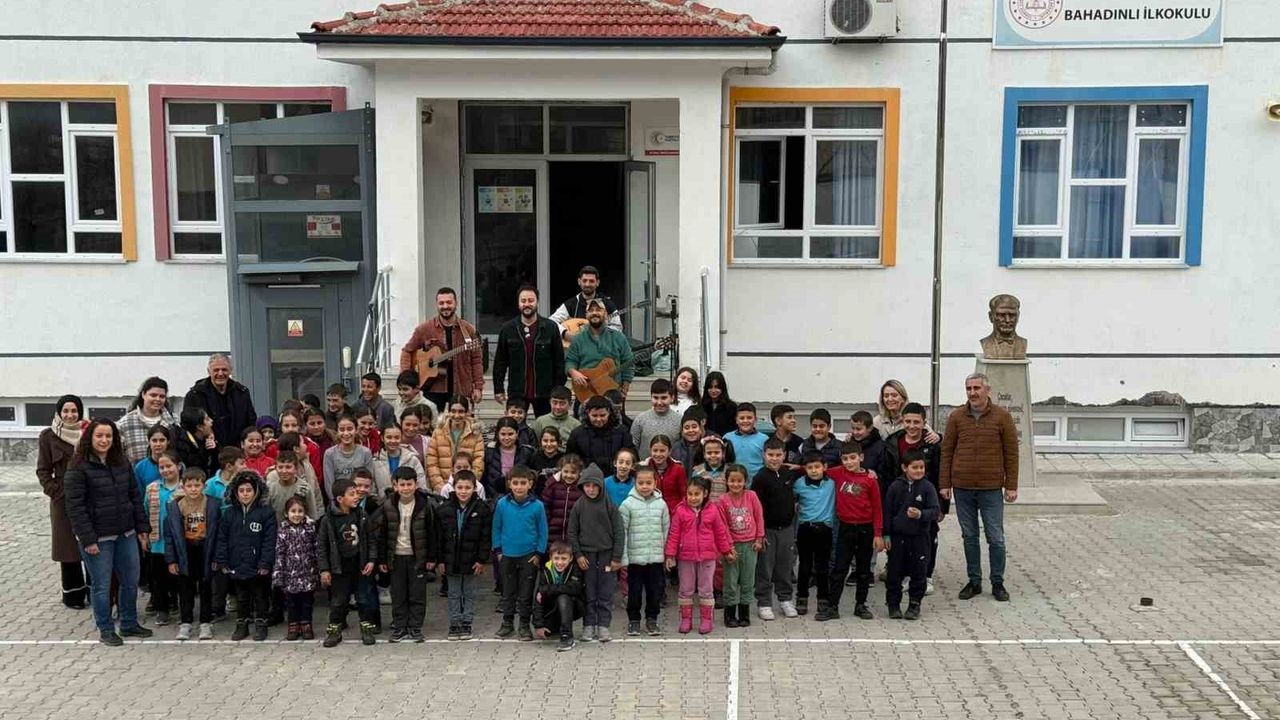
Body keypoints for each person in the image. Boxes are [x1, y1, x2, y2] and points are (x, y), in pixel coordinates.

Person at [64, 418, 153, 646]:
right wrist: (88, 539)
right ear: (90, 438)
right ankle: (105, 628)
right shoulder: (77, 466)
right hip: (98, 539)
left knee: (130, 581)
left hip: (126, 533)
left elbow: (134, 496)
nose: (104, 440)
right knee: (101, 586)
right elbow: (75, 507)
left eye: (108, 436)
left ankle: (129, 623)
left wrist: (142, 528)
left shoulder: (122, 462)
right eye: (99, 436)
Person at [941, 372, 1019, 602]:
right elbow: (947, 451)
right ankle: (974, 581)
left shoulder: (1002, 417)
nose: (972, 393)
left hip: (991, 488)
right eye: (969, 388)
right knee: (969, 536)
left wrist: (1011, 485)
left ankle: (997, 582)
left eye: (976, 388)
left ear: (987, 390)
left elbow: (1011, 453)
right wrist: (944, 483)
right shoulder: (956, 417)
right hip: (962, 487)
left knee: (996, 537)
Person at [881, 402, 947, 594]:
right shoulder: (892, 442)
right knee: (899, 537)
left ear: (924, 422)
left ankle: (926, 576)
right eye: (908, 421)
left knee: (928, 537)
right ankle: (902, 574)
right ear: (902, 421)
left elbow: (940, 473)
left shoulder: (932, 444)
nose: (911, 426)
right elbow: (886, 473)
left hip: (926, 498)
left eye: (916, 422)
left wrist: (942, 506)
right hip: (899, 498)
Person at [373, 467, 438, 643]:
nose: (406, 488)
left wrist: (431, 557)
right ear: (395, 485)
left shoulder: (425, 505)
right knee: (398, 594)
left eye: (409, 484)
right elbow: (382, 535)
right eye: (402, 485)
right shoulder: (388, 505)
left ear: (416, 485)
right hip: (396, 557)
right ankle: (400, 627)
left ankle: (415, 627)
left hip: (417, 558)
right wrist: (382, 559)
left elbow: (432, 532)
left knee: (417, 594)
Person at [36, 394, 89, 609]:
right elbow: (43, 470)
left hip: (88, 496)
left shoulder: (88, 432)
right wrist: (55, 492)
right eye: (65, 411)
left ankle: (95, 592)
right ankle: (73, 596)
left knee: (91, 543)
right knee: (68, 547)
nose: (70, 415)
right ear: (59, 413)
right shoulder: (48, 436)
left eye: (74, 411)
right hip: (62, 499)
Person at [823, 441, 884, 622]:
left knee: (864, 570)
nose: (849, 462)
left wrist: (877, 534)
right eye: (845, 459)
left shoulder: (870, 480)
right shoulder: (838, 473)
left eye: (852, 458)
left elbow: (877, 508)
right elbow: (816, 470)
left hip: (865, 529)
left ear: (861, 458)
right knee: (839, 568)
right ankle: (833, 606)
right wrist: (795, 467)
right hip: (845, 528)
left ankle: (860, 605)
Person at [665, 476, 733, 635]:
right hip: (685, 557)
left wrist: (726, 551)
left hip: (708, 557)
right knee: (685, 589)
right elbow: (674, 534)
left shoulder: (713, 510)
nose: (693, 498)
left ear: (705, 494)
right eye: (690, 494)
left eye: (697, 494)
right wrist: (670, 555)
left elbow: (720, 533)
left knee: (706, 589)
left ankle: (706, 619)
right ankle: (686, 619)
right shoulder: (680, 510)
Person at [213, 471, 276, 642]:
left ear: (256, 491)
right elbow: (222, 539)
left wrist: (265, 563)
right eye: (241, 490)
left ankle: (261, 624)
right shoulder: (229, 514)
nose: (245, 494)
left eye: (249, 490)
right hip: (237, 563)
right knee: (241, 597)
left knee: (260, 596)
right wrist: (223, 561)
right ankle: (242, 624)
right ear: (235, 492)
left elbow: (270, 541)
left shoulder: (266, 513)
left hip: (258, 566)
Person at [399, 287, 485, 411]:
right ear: (437, 305)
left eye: (449, 302)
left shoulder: (468, 330)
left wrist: (478, 387)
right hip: (432, 390)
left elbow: (476, 361)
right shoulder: (424, 329)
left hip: (461, 388)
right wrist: (406, 378)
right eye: (441, 303)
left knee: (461, 421)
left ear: (456, 303)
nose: (445, 306)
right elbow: (407, 351)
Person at [567, 467, 625, 643]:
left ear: (601, 486)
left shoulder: (610, 505)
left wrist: (616, 557)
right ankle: (589, 624)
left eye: (594, 486)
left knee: (605, 592)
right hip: (586, 557)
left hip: (607, 556)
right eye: (587, 486)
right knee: (589, 592)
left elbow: (619, 531)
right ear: (582, 486)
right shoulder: (579, 505)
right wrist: (578, 555)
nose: (591, 489)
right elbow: (572, 532)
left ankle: (603, 625)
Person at [318, 478, 377, 647]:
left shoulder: (362, 515)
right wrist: (324, 569)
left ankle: (367, 630)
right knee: (339, 601)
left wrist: (371, 560)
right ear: (340, 499)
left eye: (356, 493)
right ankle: (334, 632)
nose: (356, 497)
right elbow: (322, 546)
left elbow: (371, 540)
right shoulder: (328, 520)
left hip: (360, 565)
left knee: (363, 599)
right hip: (339, 568)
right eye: (351, 494)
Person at [494, 284, 566, 418]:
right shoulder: (507, 329)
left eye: (531, 300)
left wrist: (558, 389)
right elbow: (500, 362)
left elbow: (559, 361)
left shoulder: (550, 328)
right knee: (514, 426)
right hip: (517, 392)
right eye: (523, 301)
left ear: (537, 302)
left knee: (546, 427)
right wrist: (498, 388)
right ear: (518, 303)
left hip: (545, 392)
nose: (527, 304)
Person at [164, 467, 220, 641]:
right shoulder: (175, 506)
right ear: (183, 486)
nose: (193, 489)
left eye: (197, 485)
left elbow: (219, 533)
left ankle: (205, 622)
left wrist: (217, 556)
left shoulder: (212, 504)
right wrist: (171, 560)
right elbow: (169, 536)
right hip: (185, 550)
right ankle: (185, 622)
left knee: (206, 586)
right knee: (185, 588)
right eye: (189, 486)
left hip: (205, 548)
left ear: (204, 486)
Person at [435, 470, 492, 641]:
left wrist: (481, 560)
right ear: (453, 487)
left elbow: (485, 537)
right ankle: (454, 623)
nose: (463, 491)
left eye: (468, 487)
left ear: (475, 488)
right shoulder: (443, 509)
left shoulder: (482, 509)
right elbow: (438, 538)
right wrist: (440, 560)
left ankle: (467, 622)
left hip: (472, 560)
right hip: (450, 559)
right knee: (453, 593)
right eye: (460, 487)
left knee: (468, 592)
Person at [493, 466, 548, 641]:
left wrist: (538, 553)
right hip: (507, 556)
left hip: (529, 556)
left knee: (526, 593)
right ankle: (507, 623)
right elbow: (496, 528)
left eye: (523, 483)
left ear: (530, 484)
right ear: (509, 484)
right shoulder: (502, 504)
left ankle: (524, 625)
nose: (519, 487)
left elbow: (543, 532)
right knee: (508, 593)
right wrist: (498, 551)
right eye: (515, 483)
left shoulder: (537, 506)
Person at [885, 449, 940, 620]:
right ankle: (893, 604)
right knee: (895, 572)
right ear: (904, 467)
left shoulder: (928, 487)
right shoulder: (895, 487)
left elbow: (935, 511)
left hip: (920, 537)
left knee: (919, 572)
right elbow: (887, 512)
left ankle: (914, 604)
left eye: (921, 467)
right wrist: (886, 535)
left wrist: (921, 514)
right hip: (898, 538)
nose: (918, 471)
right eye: (914, 467)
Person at [618, 466, 669, 637]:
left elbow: (666, 529)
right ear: (635, 483)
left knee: (655, 591)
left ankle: (652, 619)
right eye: (641, 483)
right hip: (634, 559)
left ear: (655, 483)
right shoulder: (627, 504)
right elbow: (622, 532)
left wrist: (666, 554)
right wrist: (624, 557)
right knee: (634, 592)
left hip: (655, 558)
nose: (645, 486)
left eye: (648, 482)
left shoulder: (661, 504)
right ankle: (633, 620)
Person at [752, 438, 798, 621]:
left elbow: (815, 469)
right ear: (764, 455)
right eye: (770, 455)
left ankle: (785, 599)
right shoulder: (760, 478)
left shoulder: (788, 473)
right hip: (767, 530)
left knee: (785, 566)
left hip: (786, 529)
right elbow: (756, 509)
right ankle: (764, 602)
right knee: (765, 567)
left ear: (784, 455)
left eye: (778, 455)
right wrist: (760, 533)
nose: (774, 458)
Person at [715, 464, 763, 629]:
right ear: (726, 481)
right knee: (730, 581)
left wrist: (759, 538)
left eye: (739, 481)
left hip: (750, 545)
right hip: (732, 547)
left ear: (745, 481)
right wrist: (728, 547)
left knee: (748, 580)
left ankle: (744, 613)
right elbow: (722, 526)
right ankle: (729, 614)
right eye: (732, 481)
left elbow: (759, 518)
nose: (735, 484)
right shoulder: (722, 500)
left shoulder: (752, 496)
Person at [565, 298, 634, 403]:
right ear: (586, 315)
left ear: (605, 314)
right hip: (585, 393)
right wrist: (573, 372)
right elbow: (570, 361)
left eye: (598, 310)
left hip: (612, 394)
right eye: (591, 310)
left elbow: (628, 362)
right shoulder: (578, 339)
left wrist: (625, 386)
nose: (594, 313)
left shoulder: (619, 337)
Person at [792, 451, 835, 617]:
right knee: (805, 566)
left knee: (823, 567)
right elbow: (792, 498)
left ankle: (823, 599)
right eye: (810, 467)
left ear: (825, 467)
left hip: (825, 529)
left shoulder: (831, 483)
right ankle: (801, 597)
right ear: (805, 468)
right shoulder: (799, 483)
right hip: (805, 528)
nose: (814, 470)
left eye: (817, 467)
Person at [183, 354, 257, 450]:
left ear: (230, 370)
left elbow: (251, 422)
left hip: (237, 451)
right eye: (216, 370)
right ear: (209, 371)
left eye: (224, 369)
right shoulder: (195, 395)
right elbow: (188, 426)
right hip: (206, 451)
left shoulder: (242, 393)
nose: (220, 373)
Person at [143, 451, 183, 626]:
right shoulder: (152, 488)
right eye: (162, 467)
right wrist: (144, 536)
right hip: (157, 541)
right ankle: (162, 609)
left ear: (178, 466)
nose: (166, 470)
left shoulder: (186, 488)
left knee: (179, 577)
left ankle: (179, 606)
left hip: (179, 542)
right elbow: (145, 512)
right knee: (158, 578)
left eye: (169, 466)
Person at [272, 496, 318, 642]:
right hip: (290, 574)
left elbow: (316, 548)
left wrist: (318, 569)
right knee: (291, 602)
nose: (297, 514)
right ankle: (293, 625)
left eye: (300, 511)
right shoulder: (283, 530)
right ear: (287, 513)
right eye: (293, 511)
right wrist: (278, 574)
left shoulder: (310, 528)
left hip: (308, 573)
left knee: (307, 601)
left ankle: (306, 624)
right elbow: (280, 553)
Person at [532, 540, 587, 652]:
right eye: (556, 558)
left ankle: (567, 636)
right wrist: (538, 625)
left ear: (571, 558)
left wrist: (548, 589)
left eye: (564, 559)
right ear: (551, 557)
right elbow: (539, 597)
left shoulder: (575, 568)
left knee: (563, 597)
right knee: (547, 630)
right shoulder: (545, 570)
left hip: (574, 606)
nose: (560, 562)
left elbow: (574, 588)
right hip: (552, 609)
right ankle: (555, 625)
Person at [425, 395, 484, 494]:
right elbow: (432, 462)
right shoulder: (438, 431)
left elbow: (478, 463)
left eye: (461, 411)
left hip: (466, 490)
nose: (456, 415)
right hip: (442, 488)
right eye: (453, 411)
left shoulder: (475, 433)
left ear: (467, 412)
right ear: (448, 412)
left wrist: (467, 486)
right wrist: (442, 488)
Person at [566, 395, 634, 478]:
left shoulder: (622, 432)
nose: (598, 419)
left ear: (609, 412)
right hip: (587, 479)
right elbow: (571, 459)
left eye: (602, 415)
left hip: (616, 478)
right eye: (594, 416)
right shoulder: (577, 434)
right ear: (587, 413)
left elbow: (631, 455)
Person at [550, 265, 623, 339]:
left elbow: (618, 328)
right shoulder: (571, 304)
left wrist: (603, 329)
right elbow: (551, 322)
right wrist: (565, 333)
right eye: (584, 281)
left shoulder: (607, 304)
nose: (587, 284)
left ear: (597, 282)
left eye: (591, 281)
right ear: (579, 281)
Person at [118, 377, 178, 464]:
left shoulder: (173, 421)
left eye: (162, 396)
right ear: (143, 394)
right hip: (136, 472)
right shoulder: (125, 423)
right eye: (153, 395)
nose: (157, 399)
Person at [322, 415, 376, 502]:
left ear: (356, 430)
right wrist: (337, 502)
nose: (346, 433)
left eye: (350, 429)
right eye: (342, 430)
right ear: (337, 431)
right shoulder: (330, 454)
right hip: (339, 501)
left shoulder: (365, 452)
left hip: (361, 500)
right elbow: (329, 484)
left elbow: (369, 480)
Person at [631, 379, 683, 461]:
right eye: (655, 398)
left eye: (664, 398)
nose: (659, 402)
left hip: (672, 467)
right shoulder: (640, 420)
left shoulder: (680, 421)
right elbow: (633, 446)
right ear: (651, 397)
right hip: (645, 467)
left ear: (672, 398)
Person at [874, 379, 940, 443]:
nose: (890, 399)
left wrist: (938, 437)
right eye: (886, 396)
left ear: (903, 398)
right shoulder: (876, 422)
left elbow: (932, 437)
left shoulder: (913, 418)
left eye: (894, 395)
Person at [265, 450, 322, 521]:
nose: (284, 471)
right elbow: (265, 514)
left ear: (296, 469)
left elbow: (312, 515)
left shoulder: (305, 488)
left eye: (288, 467)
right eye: (280, 467)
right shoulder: (270, 488)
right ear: (276, 468)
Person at [542, 455, 584, 543]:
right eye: (565, 471)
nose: (569, 475)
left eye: (573, 472)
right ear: (560, 470)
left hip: (574, 534)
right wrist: (548, 524)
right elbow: (545, 507)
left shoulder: (582, 489)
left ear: (579, 473)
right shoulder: (552, 486)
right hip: (552, 532)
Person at [373, 424, 427, 492]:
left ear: (401, 438)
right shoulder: (375, 461)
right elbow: (372, 489)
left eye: (397, 437)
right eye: (389, 437)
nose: (393, 441)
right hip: (383, 498)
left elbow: (421, 486)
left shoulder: (412, 459)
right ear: (382, 438)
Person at [648, 435, 688, 518]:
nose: (658, 454)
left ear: (669, 451)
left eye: (662, 451)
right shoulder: (645, 469)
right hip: (652, 514)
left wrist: (681, 513)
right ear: (650, 450)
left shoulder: (678, 469)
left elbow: (684, 495)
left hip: (675, 515)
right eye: (655, 450)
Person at [725, 402, 767, 479]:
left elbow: (767, 463)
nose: (745, 421)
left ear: (755, 419)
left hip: (757, 482)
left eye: (749, 418)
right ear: (736, 420)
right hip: (734, 482)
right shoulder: (727, 438)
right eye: (742, 418)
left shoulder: (764, 439)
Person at [174, 406, 217, 479]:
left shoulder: (206, 440)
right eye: (207, 419)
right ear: (200, 427)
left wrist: (215, 449)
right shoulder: (183, 447)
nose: (211, 421)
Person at [700, 371, 738, 438]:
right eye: (710, 387)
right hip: (706, 442)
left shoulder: (731, 407)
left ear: (722, 388)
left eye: (716, 387)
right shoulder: (701, 407)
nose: (713, 390)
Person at [528, 427, 564, 494]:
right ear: (540, 441)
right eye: (545, 441)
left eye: (552, 441)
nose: (549, 444)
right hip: (538, 493)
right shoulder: (534, 457)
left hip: (559, 494)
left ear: (558, 442)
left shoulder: (564, 458)